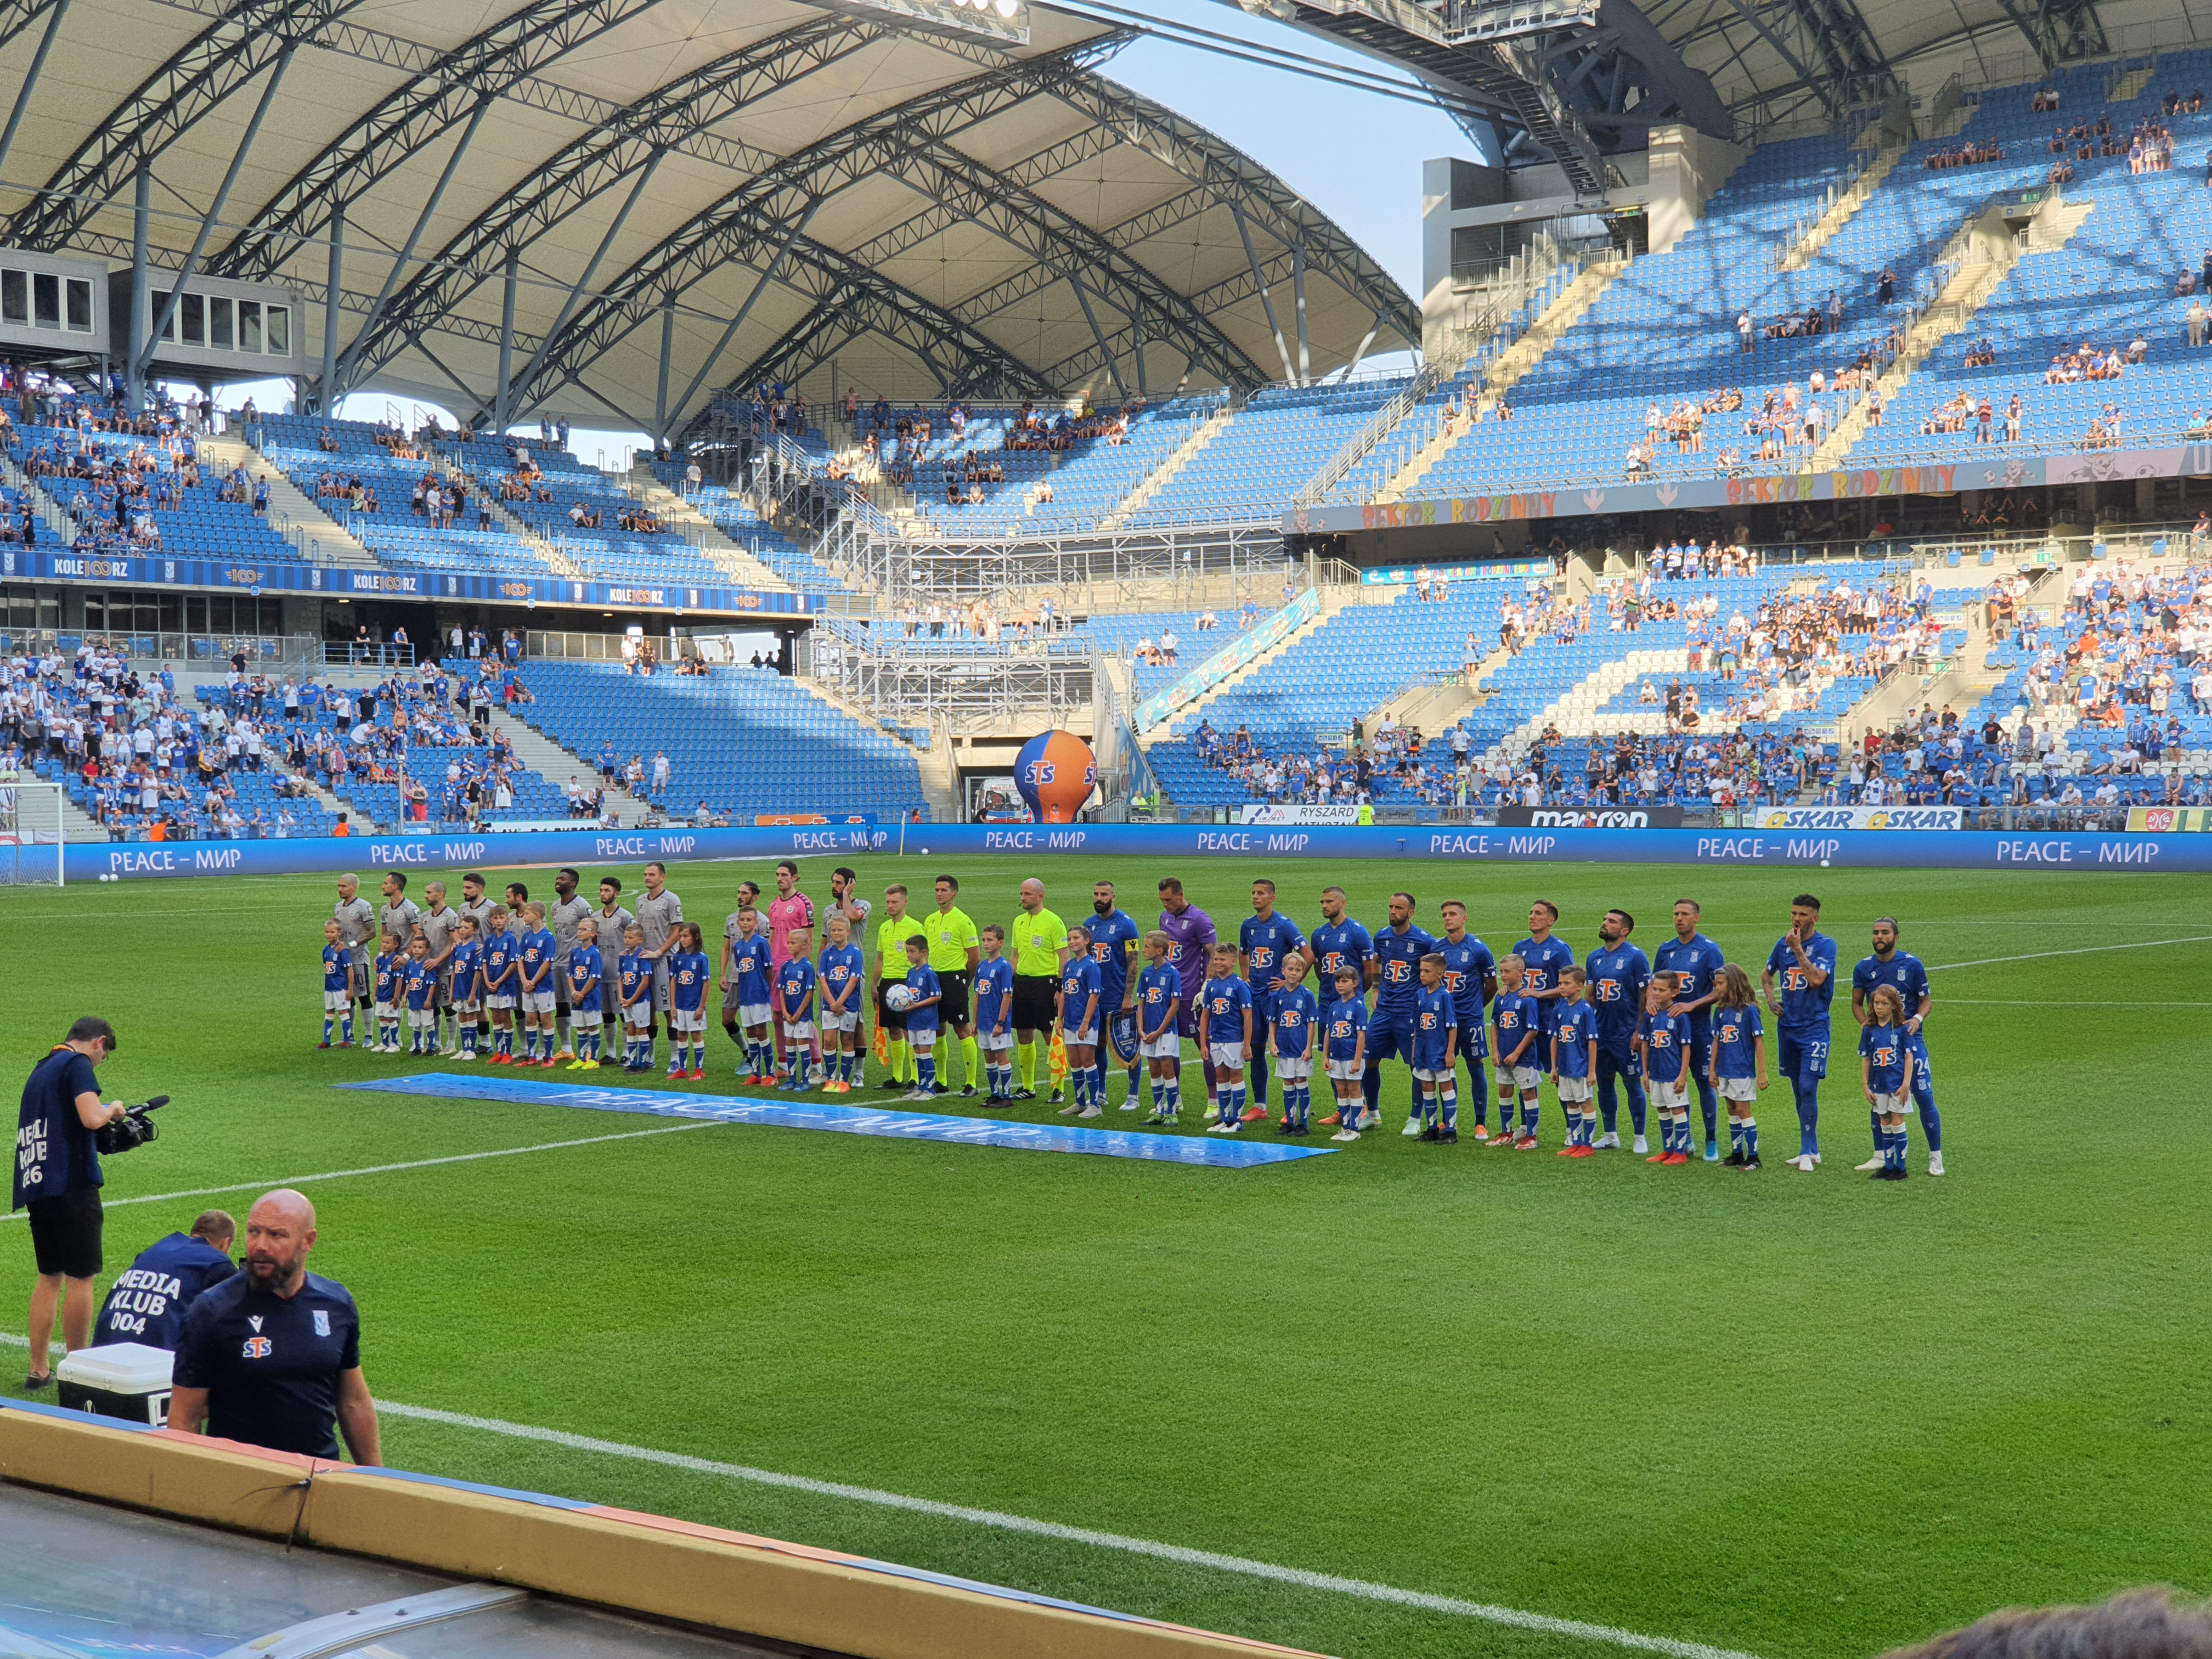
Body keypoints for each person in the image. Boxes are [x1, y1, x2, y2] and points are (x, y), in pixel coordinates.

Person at [169, 1189, 381, 1464]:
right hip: (242, 1478)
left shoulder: (336, 1304)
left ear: (308, 1241)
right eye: (254, 1232)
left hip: (319, 1478)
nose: (260, 1246)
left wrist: (378, 1478)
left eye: (276, 1235)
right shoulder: (212, 1311)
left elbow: (353, 1402)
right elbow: (185, 1417)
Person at [15, 1018, 131, 1391]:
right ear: (98, 1043)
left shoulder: (42, 1068)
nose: (100, 1062)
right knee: (82, 1277)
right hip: (72, 1186)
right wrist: (113, 1108)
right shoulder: (77, 1065)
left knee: (49, 1276)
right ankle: (80, 1369)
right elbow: (90, 1116)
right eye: (104, 1056)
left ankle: (38, 1369)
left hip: (38, 1185)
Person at [1852, 918, 1943, 1176]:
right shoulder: (1864, 968)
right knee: (1878, 1098)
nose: (1879, 937)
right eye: (1875, 933)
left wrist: (1917, 1019)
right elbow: (1857, 1005)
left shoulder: (1912, 965)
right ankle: (1880, 1156)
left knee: (1924, 1095)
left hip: (1910, 1042)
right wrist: (1867, 1025)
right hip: (1880, 1046)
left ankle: (1935, 1155)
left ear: (1896, 937)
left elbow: (1926, 1002)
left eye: (1885, 932)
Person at [1763, 894, 1837, 1172]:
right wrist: (1770, 1000)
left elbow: (1817, 979)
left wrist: (1797, 950)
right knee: (1797, 1088)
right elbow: (1766, 975)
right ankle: (1812, 1148)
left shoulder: (1825, 946)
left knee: (1808, 1086)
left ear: (1815, 918)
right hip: (1787, 1028)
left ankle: (1806, 1151)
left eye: (1803, 915)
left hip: (1814, 1027)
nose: (1796, 919)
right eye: (1794, 913)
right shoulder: (1782, 945)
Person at [92, 1209, 237, 1350]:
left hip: (102, 1347)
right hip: (154, 1357)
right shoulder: (216, 1262)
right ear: (226, 1243)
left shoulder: (159, 1247)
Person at [1653, 898, 1727, 1160]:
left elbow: (1720, 989)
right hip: (1669, 1032)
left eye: (1684, 914)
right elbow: (1655, 987)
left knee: (1705, 1081)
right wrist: (1652, 1004)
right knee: (1675, 1083)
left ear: (1697, 918)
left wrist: (1691, 1004)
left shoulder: (1709, 950)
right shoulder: (1665, 950)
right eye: (1675, 914)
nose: (1679, 919)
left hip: (1699, 1028)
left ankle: (1711, 1140)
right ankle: (1684, 1140)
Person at [1364, 891, 1436, 1137]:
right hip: (1383, 1011)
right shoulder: (1382, 936)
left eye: (1398, 908)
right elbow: (1376, 961)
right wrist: (1375, 988)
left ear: (1411, 913)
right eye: (1391, 906)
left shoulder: (1424, 940)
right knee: (1368, 1060)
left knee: (1415, 1064)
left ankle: (1415, 1118)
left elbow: (1437, 970)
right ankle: (1372, 1114)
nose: (1393, 911)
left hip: (1409, 1012)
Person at [1238, 879, 1305, 1124]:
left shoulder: (1284, 925)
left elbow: (1307, 956)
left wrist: (1291, 983)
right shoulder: (1248, 925)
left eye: (1261, 893)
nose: (1256, 897)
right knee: (1256, 1050)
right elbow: (1243, 951)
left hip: (1277, 997)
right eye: (1253, 892)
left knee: (1288, 1050)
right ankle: (1260, 1107)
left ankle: (1293, 1110)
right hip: (1255, 995)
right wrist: (1245, 976)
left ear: (1272, 898)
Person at [1585, 909, 1651, 1153]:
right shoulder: (1594, 958)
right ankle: (1611, 1134)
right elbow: (1590, 997)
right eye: (1604, 920)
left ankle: (1639, 1137)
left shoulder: (1635, 957)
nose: (1604, 924)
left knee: (1632, 1083)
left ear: (1624, 931)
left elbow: (1646, 997)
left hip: (1627, 1033)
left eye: (1611, 922)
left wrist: (1639, 1032)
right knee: (1604, 1084)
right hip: (1602, 1033)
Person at [1306, 887, 1372, 1127]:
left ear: (1342, 903)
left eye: (1329, 901)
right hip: (1327, 1004)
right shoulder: (1319, 934)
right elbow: (1319, 969)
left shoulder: (1357, 932)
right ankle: (1341, 1108)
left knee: (1353, 1055)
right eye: (1322, 901)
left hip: (1352, 1004)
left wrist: (1357, 997)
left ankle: (1361, 1107)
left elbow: (1368, 969)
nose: (1324, 905)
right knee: (1333, 1058)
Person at [1434, 901, 1495, 1139]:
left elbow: (1491, 986)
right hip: (1443, 1021)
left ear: (1464, 918)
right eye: (1444, 915)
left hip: (1470, 1020)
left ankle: (1480, 1123)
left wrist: (1475, 1008)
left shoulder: (1479, 949)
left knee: (1475, 1066)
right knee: (1445, 1068)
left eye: (1452, 915)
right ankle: (1449, 1121)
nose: (1447, 919)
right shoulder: (1436, 948)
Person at [1512, 901, 1575, 1136]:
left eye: (1538, 914)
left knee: (1559, 1076)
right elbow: (1514, 978)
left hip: (1550, 1022)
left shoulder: (1560, 949)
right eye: (1530, 912)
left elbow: (1569, 985)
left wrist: (1539, 993)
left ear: (1551, 921)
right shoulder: (1521, 947)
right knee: (1524, 1076)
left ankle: (1572, 1128)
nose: (1532, 916)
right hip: (1526, 1022)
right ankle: (1527, 1126)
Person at [1156, 876, 1218, 1105]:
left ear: (1180, 895)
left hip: (1193, 994)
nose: (1165, 904)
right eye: (1162, 900)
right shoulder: (1164, 918)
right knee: (1168, 1048)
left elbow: (1214, 953)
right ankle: (1176, 1098)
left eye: (1169, 899)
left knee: (1205, 1046)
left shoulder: (1199, 920)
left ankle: (1214, 1100)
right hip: (1169, 993)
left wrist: (1207, 986)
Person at [1009, 879, 1070, 1102]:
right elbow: (1015, 956)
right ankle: (1028, 1087)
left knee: (1051, 1036)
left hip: (1046, 984)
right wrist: (1008, 980)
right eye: (1021, 894)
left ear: (1040, 896)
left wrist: (1061, 988)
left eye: (1027, 894)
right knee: (1024, 1034)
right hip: (1023, 984)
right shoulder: (1018, 922)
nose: (1023, 898)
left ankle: (1059, 1089)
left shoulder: (1054, 922)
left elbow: (1065, 957)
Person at [1084, 881, 1142, 1110]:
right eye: (1096, 894)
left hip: (1118, 995)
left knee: (1128, 1045)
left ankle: (1133, 1096)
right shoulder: (1088, 925)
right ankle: (1101, 1092)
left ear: (1113, 897)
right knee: (1097, 1044)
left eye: (1104, 894)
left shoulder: (1127, 926)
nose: (1099, 898)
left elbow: (1134, 961)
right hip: (1095, 996)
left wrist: (1128, 996)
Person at [925, 876, 981, 1097]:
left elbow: (975, 957)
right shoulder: (930, 920)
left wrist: (965, 981)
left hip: (955, 979)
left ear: (954, 893)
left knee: (962, 1029)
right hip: (933, 979)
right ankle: (941, 1080)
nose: (939, 894)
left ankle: (972, 1083)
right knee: (938, 1029)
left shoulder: (963, 921)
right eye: (937, 890)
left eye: (944, 890)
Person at [870, 884, 927, 1093]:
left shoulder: (915, 927)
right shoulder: (884, 927)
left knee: (908, 1030)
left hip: (906, 982)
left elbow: (922, 958)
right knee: (893, 1029)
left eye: (894, 902)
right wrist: (875, 985)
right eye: (888, 902)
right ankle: (897, 1076)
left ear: (905, 902)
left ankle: (914, 1077)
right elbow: (880, 958)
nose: (891, 906)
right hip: (888, 983)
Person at [1709, 964, 1767, 1168]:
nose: (1717, 987)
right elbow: (1716, 1041)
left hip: (1741, 1070)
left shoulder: (1749, 1011)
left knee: (1743, 1110)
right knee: (1732, 1109)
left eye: (1721, 983)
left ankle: (1754, 1158)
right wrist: (1712, 1069)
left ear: (1733, 983)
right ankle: (1737, 1154)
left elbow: (1758, 1042)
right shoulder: (1722, 1010)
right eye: (1716, 983)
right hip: (1724, 1069)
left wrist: (1761, 1074)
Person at [1635, 973, 1695, 1164]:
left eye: (1662, 990)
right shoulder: (1650, 1015)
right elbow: (1645, 1045)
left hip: (1673, 1073)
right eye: (1655, 989)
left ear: (1675, 992)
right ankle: (1667, 1149)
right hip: (1656, 1073)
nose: (1657, 993)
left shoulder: (1680, 1017)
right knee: (1662, 1109)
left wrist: (1683, 1075)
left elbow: (1686, 1047)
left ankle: (1681, 1152)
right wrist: (1645, 1072)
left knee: (1678, 1110)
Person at [1859, 985, 1915, 1181]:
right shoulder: (1869, 1030)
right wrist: (1865, 1085)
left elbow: (1909, 1058)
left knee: (1897, 1122)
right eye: (1876, 1003)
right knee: (1885, 1123)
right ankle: (1888, 1165)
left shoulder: (1902, 1030)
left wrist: (1906, 1083)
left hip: (1897, 1085)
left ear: (1893, 1006)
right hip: (1878, 1085)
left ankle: (1901, 1167)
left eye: (1884, 1003)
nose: (1879, 1007)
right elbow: (1866, 1059)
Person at [1197, 945, 1254, 1133]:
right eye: (1216, 959)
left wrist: (1246, 1045)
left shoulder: (1239, 985)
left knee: (1236, 1076)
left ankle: (1236, 1121)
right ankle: (1225, 1118)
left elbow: (1248, 1016)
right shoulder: (1212, 985)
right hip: (1217, 1039)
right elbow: (1205, 1015)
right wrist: (1204, 1042)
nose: (1218, 963)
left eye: (1222, 960)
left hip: (1234, 1039)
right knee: (1221, 1077)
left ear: (1233, 961)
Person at [634, 862, 685, 1071]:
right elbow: (638, 930)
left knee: (669, 1010)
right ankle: (650, 1056)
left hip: (666, 960)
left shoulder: (671, 900)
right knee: (649, 1009)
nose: (647, 878)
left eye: (652, 875)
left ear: (662, 877)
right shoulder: (639, 901)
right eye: (646, 874)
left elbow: (677, 931)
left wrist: (660, 951)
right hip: (646, 959)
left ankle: (676, 1057)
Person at [1491, 956, 1541, 1149]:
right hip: (1503, 1055)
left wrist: (1517, 1054)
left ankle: (1532, 1136)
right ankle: (1506, 1132)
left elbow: (1533, 1030)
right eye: (1501, 971)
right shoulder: (1501, 996)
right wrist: (1495, 1051)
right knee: (1504, 1090)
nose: (1503, 975)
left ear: (1520, 972)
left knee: (1528, 1093)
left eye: (1507, 971)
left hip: (1524, 1058)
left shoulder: (1527, 999)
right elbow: (1494, 1024)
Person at [723, 906, 776, 1085]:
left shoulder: (761, 943)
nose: (745, 923)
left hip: (759, 994)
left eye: (749, 920)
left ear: (756, 923)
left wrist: (768, 991)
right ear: (738, 923)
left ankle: (771, 1075)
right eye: (742, 920)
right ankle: (756, 1073)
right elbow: (740, 972)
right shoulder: (738, 946)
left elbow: (769, 969)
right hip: (745, 995)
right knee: (751, 1033)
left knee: (762, 1032)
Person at [1409, 953, 1460, 1142]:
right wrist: (1415, 1050)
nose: (1422, 974)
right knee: (1427, 1087)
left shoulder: (1445, 997)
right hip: (1423, 1050)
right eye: (1421, 970)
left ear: (1440, 974)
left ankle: (1450, 1131)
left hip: (1439, 1050)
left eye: (1427, 971)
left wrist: (1450, 1052)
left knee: (1446, 1088)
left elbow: (1452, 1027)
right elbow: (1416, 1026)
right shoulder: (1420, 995)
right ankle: (1431, 1129)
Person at [1056, 923, 1103, 1118]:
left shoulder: (1091, 966)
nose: (1072, 942)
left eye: (1076, 938)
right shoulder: (1069, 965)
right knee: (1074, 1062)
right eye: (1069, 939)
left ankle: (1095, 1105)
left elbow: (1094, 996)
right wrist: (1059, 1019)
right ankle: (1080, 1101)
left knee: (1087, 1060)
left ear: (1087, 941)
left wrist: (1085, 1022)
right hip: (1070, 1021)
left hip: (1086, 1023)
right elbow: (1064, 994)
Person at [546, 868, 593, 1061]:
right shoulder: (555, 906)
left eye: (562, 879)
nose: (558, 881)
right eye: (557, 878)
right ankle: (567, 1048)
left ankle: (589, 1048)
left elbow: (592, 935)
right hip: (558, 962)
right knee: (561, 1005)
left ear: (572, 883)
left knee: (580, 1003)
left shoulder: (583, 907)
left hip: (576, 964)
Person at [1550, 968, 1598, 1155]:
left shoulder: (1586, 1010)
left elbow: (1592, 1042)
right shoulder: (1559, 1009)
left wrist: (1592, 1071)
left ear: (1580, 986)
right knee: (1570, 1103)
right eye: (1560, 983)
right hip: (1564, 1067)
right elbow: (1554, 1039)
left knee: (1585, 1102)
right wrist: (1554, 1067)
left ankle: (1588, 1145)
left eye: (1566, 983)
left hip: (1581, 1067)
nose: (1562, 986)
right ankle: (1576, 1142)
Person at [817, 914, 865, 1093]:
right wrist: (832, 1003)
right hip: (830, 1005)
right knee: (829, 1040)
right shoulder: (826, 954)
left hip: (848, 1004)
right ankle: (831, 1079)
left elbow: (853, 981)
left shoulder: (855, 953)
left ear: (848, 932)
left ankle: (844, 1080)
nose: (836, 933)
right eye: (833, 930)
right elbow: (822, 979)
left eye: (839, 930)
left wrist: (839, 1003)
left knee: (847, 1039)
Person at [1321, 967, 1368, 1142]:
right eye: (1338, 982)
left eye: (1345, 981)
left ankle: (1354, 1129)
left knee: (1354, 1090)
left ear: (1355, 984)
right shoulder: (1334, 1006)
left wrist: (1357, 1060)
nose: (1340, 985)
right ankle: (1345, 1126)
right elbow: (1328, 1033)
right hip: (1336, 1056)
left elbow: (1361, 1035)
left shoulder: (1358, 1007)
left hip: (1351, 1057)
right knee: (1341, 1091)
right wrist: (1325, 1056)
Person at [974, 926, 1017, 1105]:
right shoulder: (982, 966)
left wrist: (1001, 1022)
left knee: (1001, 1056)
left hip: (997, 1021)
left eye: (990, 940)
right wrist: (975, 1021)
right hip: (983, 1021)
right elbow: (977, 995)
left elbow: (1007, 995)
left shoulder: (1004, 966)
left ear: (1001, 943)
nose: (985, 943)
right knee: (988, 1056)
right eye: (984, 940)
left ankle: (1007, 1097)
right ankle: (995, 1094)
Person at [896, 935, 941, 1101]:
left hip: (926, 1019)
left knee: (925, 1051)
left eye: (912, 951)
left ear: (923, 953)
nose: (909, 955)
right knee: (917, 1051)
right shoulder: (910, 973)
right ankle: (921, 1087)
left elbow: (936, 996)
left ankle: (930, 1090)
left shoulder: (929, 973)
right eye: (907, 951)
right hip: (913, 1019)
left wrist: (916, 1006)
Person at [514, 902, 559, 1066]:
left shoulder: (547, 937)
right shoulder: (526, 937)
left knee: (546, 1018)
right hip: (528, 985)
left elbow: (547, 963)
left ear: (537, 915)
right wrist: (525, 981)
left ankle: (549, 1056)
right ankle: (532, 1056)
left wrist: (532, 982)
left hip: (543, 986)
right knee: (530, 1019)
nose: (523, 916)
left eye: (527, 913)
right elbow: (520, 959)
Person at [669, 923, 713, 1081]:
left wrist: (702, 1007)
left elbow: (706, 983)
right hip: (680, 1004)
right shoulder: (678, 957)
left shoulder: (701, 958)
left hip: (694, 1005)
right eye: (681, 937)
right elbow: (673, 981)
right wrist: (673, 1005)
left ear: (696, 937)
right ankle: (682, 1069)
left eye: (686, 936)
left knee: (696, 1034)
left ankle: (699, 1070)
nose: (682, 939)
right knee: (681, 1034)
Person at [565, 918, 606, 1069]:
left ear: (593, 933)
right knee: (580, 1027)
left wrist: (582, 994)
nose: (580, 932)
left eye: (584, 929)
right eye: (579, 929)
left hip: (590, 998)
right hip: (577, 997)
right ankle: (582, 1058)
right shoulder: (575, 952)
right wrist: (574, 992)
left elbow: (594, 977)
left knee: (592, 1027)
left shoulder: (595, 954)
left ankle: (594, 1060)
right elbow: (570, 974)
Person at [480, 905, 518, 1062]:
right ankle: (499, 1051)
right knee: (495, 1017)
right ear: (491, 921)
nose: (499, 921)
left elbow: (513, 963)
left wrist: (499, 981)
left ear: (507, 919)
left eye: (502, 918)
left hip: (505, 985)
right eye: (496, 918)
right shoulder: (489, 940)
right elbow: (484, 962)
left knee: (505, 1016)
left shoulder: (510, 939)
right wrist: (488, 981)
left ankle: (508, 1052)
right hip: (491, 985)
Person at [617, 924, 654, 1070]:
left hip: (640, 1000)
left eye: (631, 938)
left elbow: (645, 981)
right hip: (626, 1000)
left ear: (639, 940)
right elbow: (620, 978)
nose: (627, 940)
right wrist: (621, 997)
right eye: (625, 937)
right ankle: (633, 1061)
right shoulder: (624, 956)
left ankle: (642, 1063)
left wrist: (632, 1000)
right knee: (631, 1029)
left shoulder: (643, 957)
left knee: (641, 1030)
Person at [319, 921, 355, 1048]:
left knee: (343, 1012)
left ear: (339, 933)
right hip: (329, 987)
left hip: (341, 987)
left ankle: (347, 1040)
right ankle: (326, 1041)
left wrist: (350, 989)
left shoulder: (342, 951)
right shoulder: (325, 950)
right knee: (329, 1012)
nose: (329, 935)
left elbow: (350, 969)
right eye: (327, 932)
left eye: (332, 932)